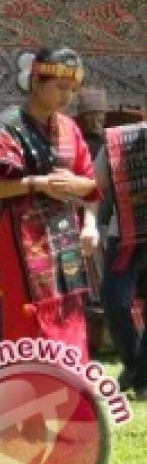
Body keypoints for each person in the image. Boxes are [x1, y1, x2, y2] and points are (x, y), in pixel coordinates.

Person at [0, 47, 100, 358]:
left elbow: (92, 186)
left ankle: (69, 394)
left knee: (68, 309)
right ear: (36, 83)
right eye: (60, 88)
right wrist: (37, 183)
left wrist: (91, 224)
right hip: (21, 236)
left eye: (72, 90)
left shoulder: (70, 129)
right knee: (28, 317)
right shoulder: (7, 125)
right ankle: (29, 397)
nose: (67, 98)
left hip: (66, 233)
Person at [94, 120, 147, 398]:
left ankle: (143, 378)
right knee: (114, 301)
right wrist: (90, 224)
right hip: (124, 233)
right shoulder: (119, 142)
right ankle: (134, 364)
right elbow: (95, 186)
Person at [76, 86, 108, 160]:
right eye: (89, 116)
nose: (94, 120)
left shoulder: (108, 142)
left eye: (98, 114)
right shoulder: (80, 145)